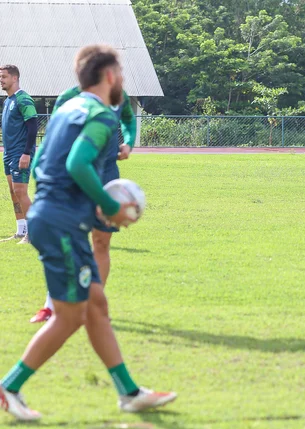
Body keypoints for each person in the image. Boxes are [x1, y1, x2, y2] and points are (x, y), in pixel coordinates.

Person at [0, 44, 176, 421]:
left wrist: (80, 200)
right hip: (62, 223)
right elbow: (79, 163)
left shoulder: (67, 109)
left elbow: (51, 162)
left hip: (52, 214)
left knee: (96, 306)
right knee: (69, 317)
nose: (123, 81)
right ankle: (9, 386)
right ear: (109, 76)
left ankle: (129, 392)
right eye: (123, 75)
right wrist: (111, 207)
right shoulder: (100, 115)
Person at [30, 85, 136, 323]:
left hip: (107, 174)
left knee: (101, 241)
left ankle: (93, 306)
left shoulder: (120, 97)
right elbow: (52, 139)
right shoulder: (68, 97)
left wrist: (128, 142)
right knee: (63, 241)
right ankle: (50, 305)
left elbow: (129, 120)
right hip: (73, 177)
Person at [0, 65, 37, 244]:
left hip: (20, 154)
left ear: (15, 78)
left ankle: (32, 234)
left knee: (20, 191)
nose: (1, 80)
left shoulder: (23, 99)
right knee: (13, 192)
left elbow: (33, 126)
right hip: (8, 154)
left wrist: (26, 153)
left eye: (4, 77)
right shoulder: (7, 101)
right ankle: (20, 231)